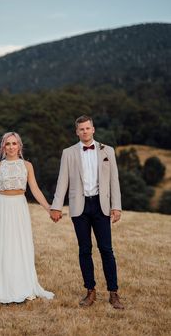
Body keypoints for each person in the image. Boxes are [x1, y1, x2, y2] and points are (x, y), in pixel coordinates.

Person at [50, 115, 124, 309]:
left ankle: (113, 292)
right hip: (79, 207)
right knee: (85, 250)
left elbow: (114, 180)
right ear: (77, 132)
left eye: (87, 128)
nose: (84, 131)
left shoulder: (107, 151)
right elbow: (62, 180)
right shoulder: (68, 153)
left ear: (93, 129)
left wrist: (116, 206)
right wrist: (56, 206)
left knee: (106, 249)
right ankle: (90, 291)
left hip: (101, 206)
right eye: (81, 129)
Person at [0, 131, 54, 304]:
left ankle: (23, 286)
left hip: (19, 207)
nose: (11, 147)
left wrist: (49, 208)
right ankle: (4, 289)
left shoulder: (27, 165)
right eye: (8, 144)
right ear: (3, 147)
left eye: (14, 143)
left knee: (20, 246)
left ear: (19, 146)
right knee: (4, 246)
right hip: (2, 207)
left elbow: (35, 189)